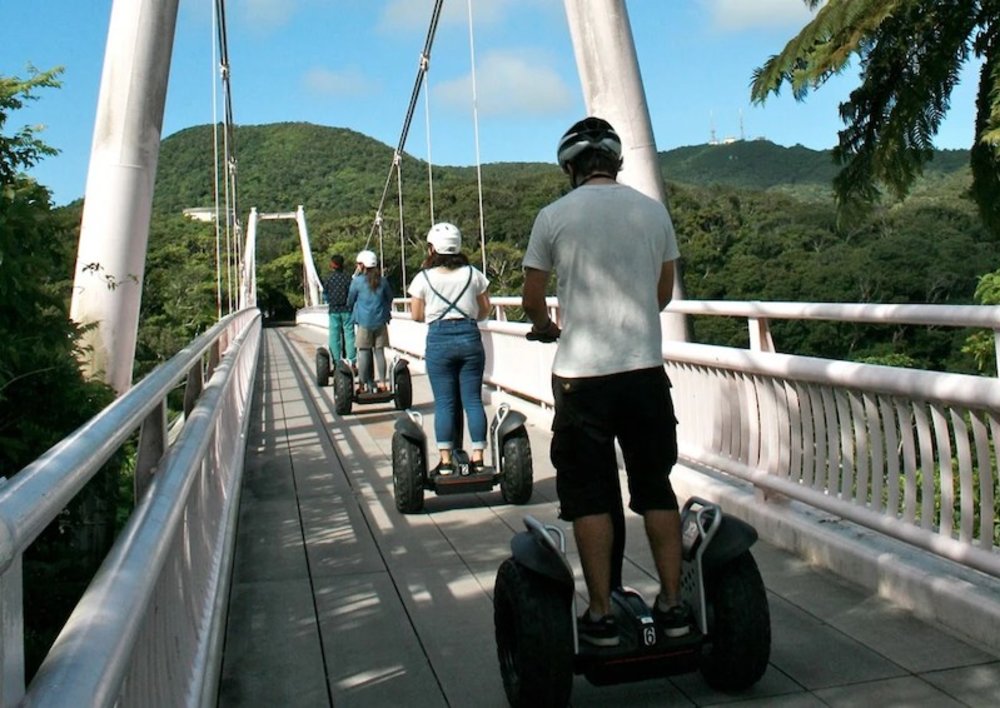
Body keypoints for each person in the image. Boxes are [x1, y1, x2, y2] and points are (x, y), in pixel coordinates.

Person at [521, 116, 690, 647]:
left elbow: (531, 299)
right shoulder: (652, 211)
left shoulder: (552, 217)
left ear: (570, 166)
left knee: (590, 495)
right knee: (655, 486)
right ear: (616, 161)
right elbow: (662, 293)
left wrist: (547, 326)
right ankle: (674, 604)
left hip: (581, 379)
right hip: (644, 373)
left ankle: (599, 616)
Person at [407, 222, 491, 474]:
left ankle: (444, 462)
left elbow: (416, 314)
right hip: (469, 337)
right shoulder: (473, 274)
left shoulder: (423, 278)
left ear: (432, 248)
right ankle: (477, 457)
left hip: (439, 339)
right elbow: (484, 309)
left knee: (444, 403)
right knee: (473, 400)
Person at [347, 249, 394, 393]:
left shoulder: (357, 282)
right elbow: (390, 298)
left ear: (362, 265)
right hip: (380, 322)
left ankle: (361, 385)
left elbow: (350, 300)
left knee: (364, 352)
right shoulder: (383, 281)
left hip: (364, 322)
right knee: (379, 352)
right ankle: (382, 383)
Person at [323, 254, 355, 363]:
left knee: (334, 336)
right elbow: (352, 294)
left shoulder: (328, 278)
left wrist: (330, 301)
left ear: (333, 264)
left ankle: (336, 361)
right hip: (347, 310)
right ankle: (351, 361)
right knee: (349, 335)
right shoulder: (348, 278)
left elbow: (325, 295)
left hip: (334, 311)